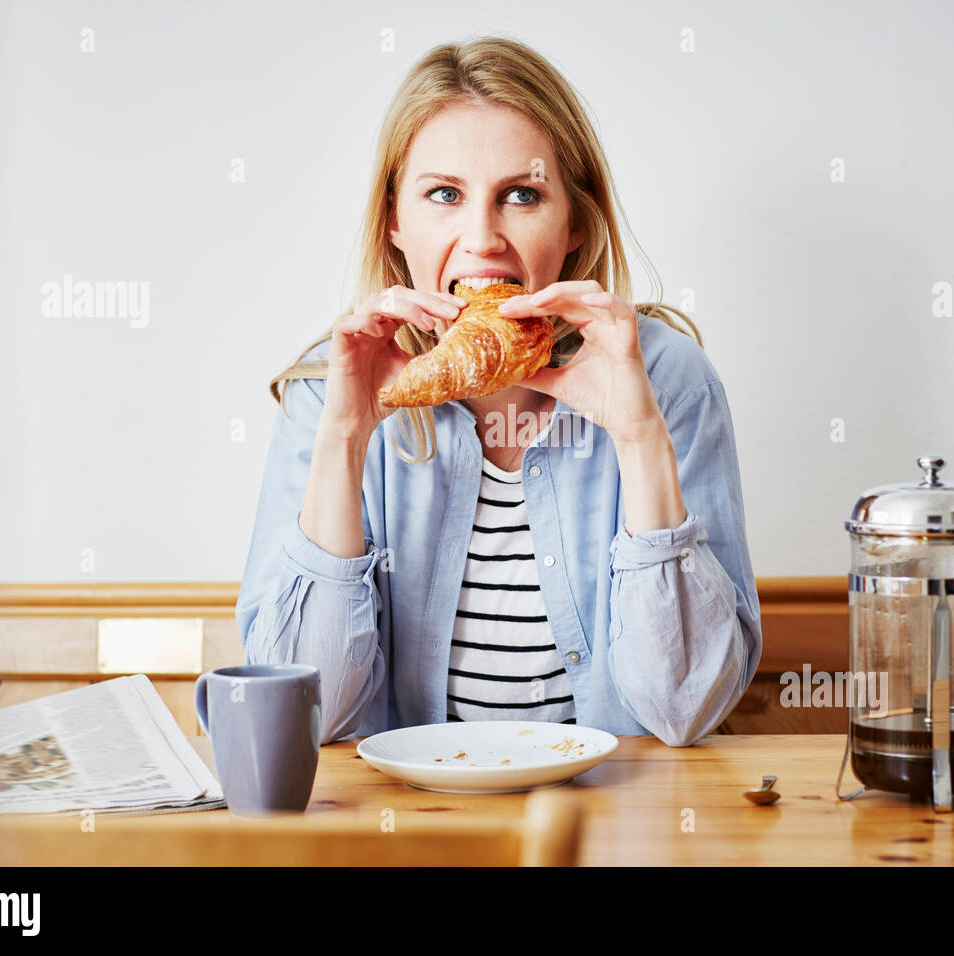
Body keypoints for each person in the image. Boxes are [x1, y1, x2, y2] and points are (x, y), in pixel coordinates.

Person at [235, 35, 761, 747]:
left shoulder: (666, 379)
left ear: (574, 221)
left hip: (611, 828)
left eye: (521, 194)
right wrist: (345, 438)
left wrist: (639, 440)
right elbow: (310, 715)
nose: (482, 237)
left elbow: (685, 710)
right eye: (443, 194)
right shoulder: (333, 386)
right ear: (394, 219)